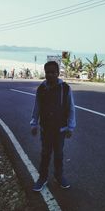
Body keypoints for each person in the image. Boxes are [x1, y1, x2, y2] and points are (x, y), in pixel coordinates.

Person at [30, 61, 76, 192]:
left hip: (60, 129)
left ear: (58, 73)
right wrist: (34, 124)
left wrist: (70, 127)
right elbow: (37, 107)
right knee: (45, 154)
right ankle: (42, 177)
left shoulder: (65, 88)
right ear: (45, 73)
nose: (50, 75)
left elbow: (71, 108)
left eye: (53, 72)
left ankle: (58, 176)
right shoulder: (41, 88)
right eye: (47, 72)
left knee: (59, 154)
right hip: (45, 129)